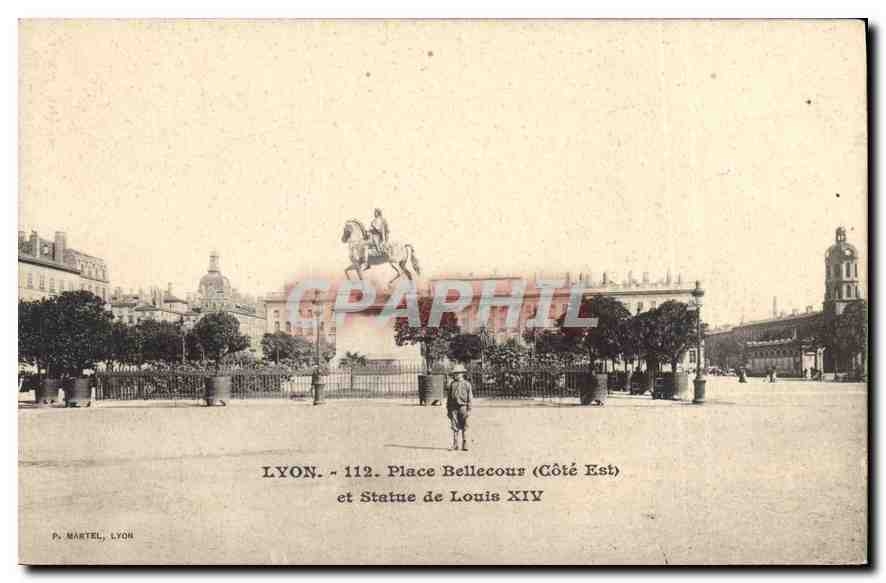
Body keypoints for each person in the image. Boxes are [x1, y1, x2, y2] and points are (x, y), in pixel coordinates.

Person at [446, 364, 473, 451]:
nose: (456, 375)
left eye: (458, 373)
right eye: (455, 374)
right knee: (454, 426)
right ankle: (455, 444)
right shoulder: (452, 384)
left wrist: (469, 409)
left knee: (464, 425)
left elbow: (470, 398)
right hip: (453, 407)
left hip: (463, 407)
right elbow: (449, 398)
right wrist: (448, 410)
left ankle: (465, 444)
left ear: (462, 374)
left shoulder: (467, 384)